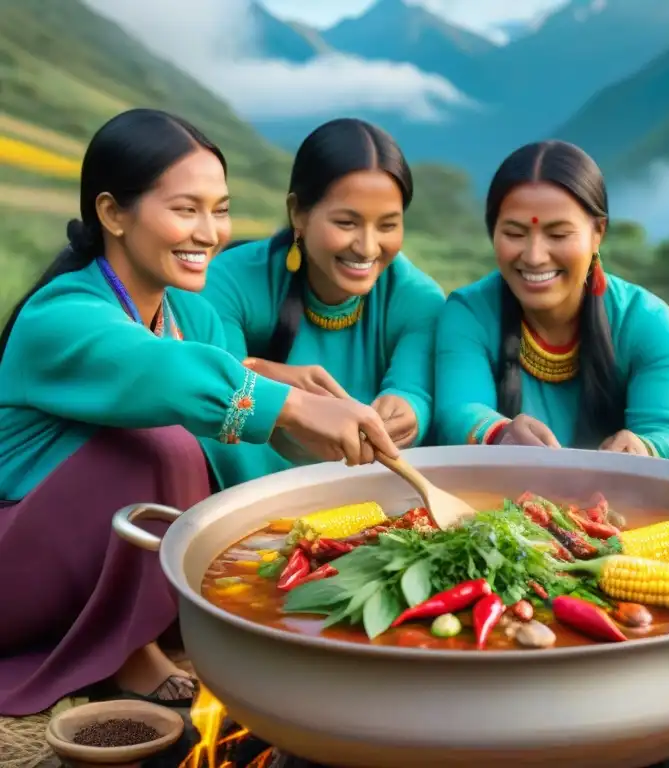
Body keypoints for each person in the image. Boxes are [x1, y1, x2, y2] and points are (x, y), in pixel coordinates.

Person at [0, 109, 397, 716]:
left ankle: (146, 624)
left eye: (221, 209)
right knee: (161, 441)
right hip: (18, 568)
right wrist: (286, 401)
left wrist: (316, 469)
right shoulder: (62, 316)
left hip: (95, 553)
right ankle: (124, 651)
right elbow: (163, 375)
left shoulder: (194, 316)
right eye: (186, 209)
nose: (210, 232)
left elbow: (231, 429)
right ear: (112, 214)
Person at [201, 118, 444, 488]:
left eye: (388, 225)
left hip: (372, 498)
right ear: (298, 213)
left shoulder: (418, 299)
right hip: (246, 494)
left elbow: (416, 387)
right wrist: (278, 388)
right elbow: (208, 382)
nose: (367, 246)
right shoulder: (229, 280)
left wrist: (408, 407)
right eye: (347, 223)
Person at [433, 140, 669, 459]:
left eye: (558, 235)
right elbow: (458, 411)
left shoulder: (645, 320)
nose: (534, 256)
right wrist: (500, 433)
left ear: (598, 232)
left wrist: (643, 447)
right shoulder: (469, 312)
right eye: (514, 234)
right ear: (492, 233)